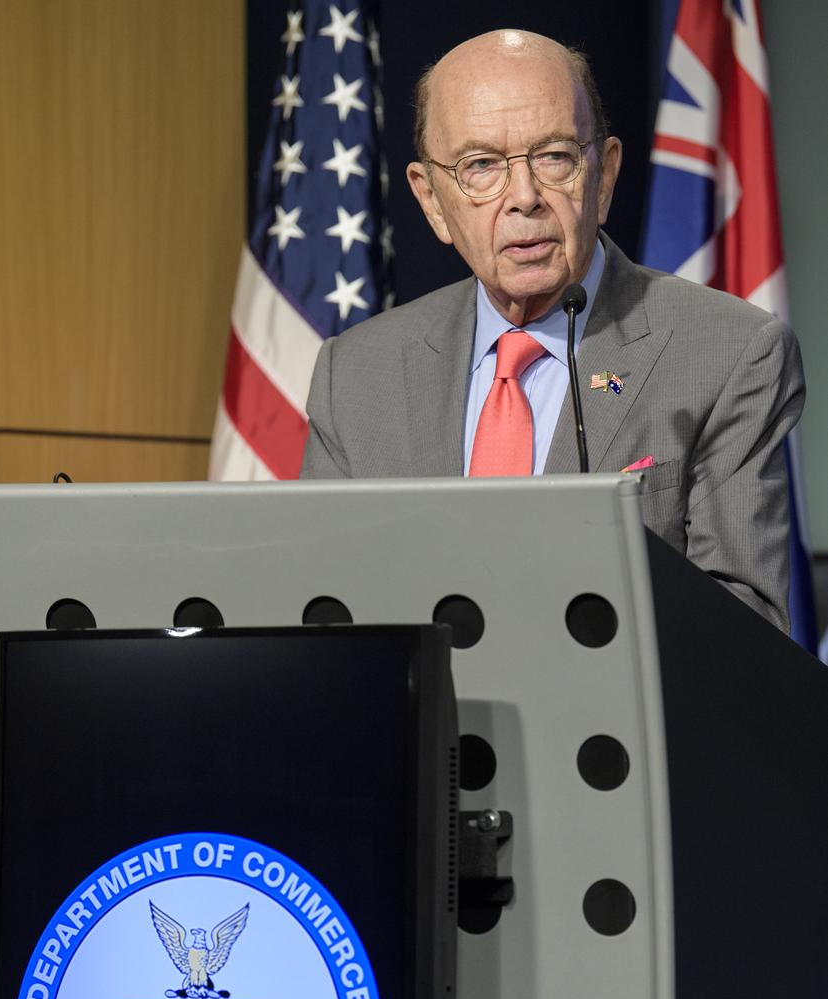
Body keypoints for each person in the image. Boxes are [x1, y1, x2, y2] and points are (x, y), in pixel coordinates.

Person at [301, 29, 805, 633]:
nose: (524, 198)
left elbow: (742, 631)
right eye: (480, 166)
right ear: (432, 200)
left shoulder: (729, 354)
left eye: (554, 156)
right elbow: (322, 616)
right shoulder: (355, 375)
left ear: (605, 175)